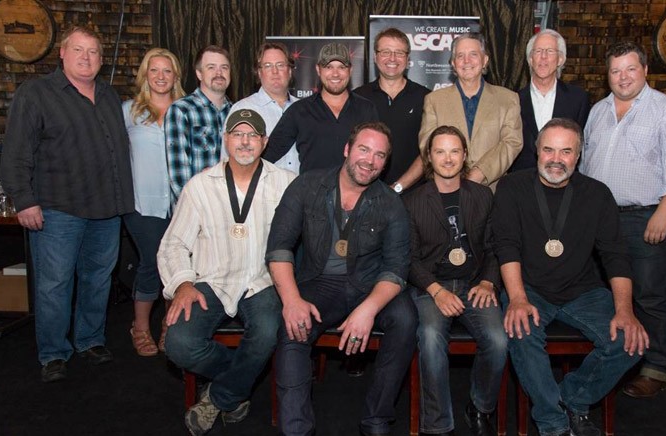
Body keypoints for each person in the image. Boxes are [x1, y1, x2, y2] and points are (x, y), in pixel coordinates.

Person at [492, 118, 649, 436]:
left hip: (583, 291)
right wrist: (518, 299)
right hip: (530, 288)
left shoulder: (598, 194)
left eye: (566, 151)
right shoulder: (512, 187)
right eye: (548, 149)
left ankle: (572, 398)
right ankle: (553, 424)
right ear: (536, 151)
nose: (555, 159)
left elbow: (615, 256)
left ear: (578, 155)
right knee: (520, 331)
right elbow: (506, 246)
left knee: (633, 342)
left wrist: (625, 310)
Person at [0, 25, 134, 382]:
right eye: (78, 50)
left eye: (92, 52)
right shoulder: (37, 93)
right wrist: (24, 200)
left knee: (98, 279)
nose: (86, 58)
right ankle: (54, 352)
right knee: (54, 283)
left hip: (106, 208)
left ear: (101, 60)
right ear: (62, 53)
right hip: (58, 207)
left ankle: (90, 340)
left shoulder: (108, 95)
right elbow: (15, 153)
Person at [266, 121, 417, 436]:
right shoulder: (307, 186)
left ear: (385, 163)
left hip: (369, 284)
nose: (369, 161)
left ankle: (376, 419)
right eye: (363, 149)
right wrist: (292, 300)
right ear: (347, 150)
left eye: (379, 156)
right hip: (319, 283)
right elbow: (279, 248)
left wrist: (368, 309)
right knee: (294, 323)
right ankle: (296, 430)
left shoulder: (391, 204)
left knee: (405, 317)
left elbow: (396, 269)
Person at [158, 109, 296, 436]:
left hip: (262, 282)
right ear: (226, 140)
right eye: (237, 134)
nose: (245, 142)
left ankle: (219, 397)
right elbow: (173, 244)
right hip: (211, 280)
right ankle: (239, 380)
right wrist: (182, 283)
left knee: (266, 331)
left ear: (264, 142)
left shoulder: (287, 184)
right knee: (178, 344)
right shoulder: (200, 186)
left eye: (252, 135)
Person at [581, 41, 666, 399]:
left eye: (630, 69)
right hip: (599, 219)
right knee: (604, 292)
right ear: (608, 75)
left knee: (649, 294)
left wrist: (663, 213)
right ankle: (615, 357)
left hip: (644, 215)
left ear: (645, 70)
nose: (623, 77)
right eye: (616, 71)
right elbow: (585, 166)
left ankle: (656, 368)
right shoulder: (598, 111)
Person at [404, 125, 507, 436]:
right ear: (429, 158)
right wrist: (435, 291)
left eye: (454, 151)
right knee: (432, 338)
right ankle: (437, 424)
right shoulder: (411, 201)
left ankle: (480, 407)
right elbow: (407, 258)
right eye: (440, 152)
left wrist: (489, 282)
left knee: (499, 341)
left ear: (464, 156)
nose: (447, 158)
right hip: (430, 286)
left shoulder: (483, 195)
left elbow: (495, 247)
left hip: (475, 283)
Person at [122, 47, 185, 357]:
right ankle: (141, 327)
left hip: (183, 205)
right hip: (142, 205)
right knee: (152, 263)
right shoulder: (128, 111)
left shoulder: (187, 110)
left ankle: (169, 327)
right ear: (145, 74)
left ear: (176, 76)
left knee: (178, 268)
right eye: (154, 70)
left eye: (167, 70)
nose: (161, 76)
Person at [418, 32, 522, 189]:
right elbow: (427, 144)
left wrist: (480, 173)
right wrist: (453, 176)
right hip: (447, 189)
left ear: (485, 60)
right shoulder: (434, 100)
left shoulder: (508, 99)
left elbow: (512, 143)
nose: (466, 61)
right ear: (453, 63)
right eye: (460, 56)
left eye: (473, 54)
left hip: (492, 191)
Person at [263, 42, 379, 174]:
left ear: (350, 70)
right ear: (318, 70)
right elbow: (267, 155)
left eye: (341, 67)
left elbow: (377, 155)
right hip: (311, 193)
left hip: (357, 193)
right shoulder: (299, 111)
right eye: (328, 67)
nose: (335, 74)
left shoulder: (366, 109)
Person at [354, 27, 430, 193]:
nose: (392, 58)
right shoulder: (358, 97)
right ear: (375, 57)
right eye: (386, 51)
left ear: (408, 59)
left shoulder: (426, 98)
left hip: (414, 195)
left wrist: (397, 187)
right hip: (366, 195)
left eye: (399, 53)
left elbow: (428, 151)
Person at [511, 29, 590, 172]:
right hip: (523, 184)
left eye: (550, 51)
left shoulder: (578, 99)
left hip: (564, 181)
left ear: (560, 59)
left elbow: (582, 147)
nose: (543, 57)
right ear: (530, 59)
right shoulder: (513, 100)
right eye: (538, 51)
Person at [165, 45, 232, 203]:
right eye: (211, 67)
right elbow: (178, 174)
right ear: (199, 73)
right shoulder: (181, 110)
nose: (219, 73)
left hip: (232, 208)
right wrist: (196, 210)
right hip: (196, 208)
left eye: (224, 67)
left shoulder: (236, 112)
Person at [223, 42, 300, 173]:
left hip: (301, 190)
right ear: (259, 72)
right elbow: (227, 161)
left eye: (280, 65)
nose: (275, 71)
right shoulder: (243, 109)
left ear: (290, 71)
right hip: (261, 191)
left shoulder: (303, 109)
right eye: (268, 66)